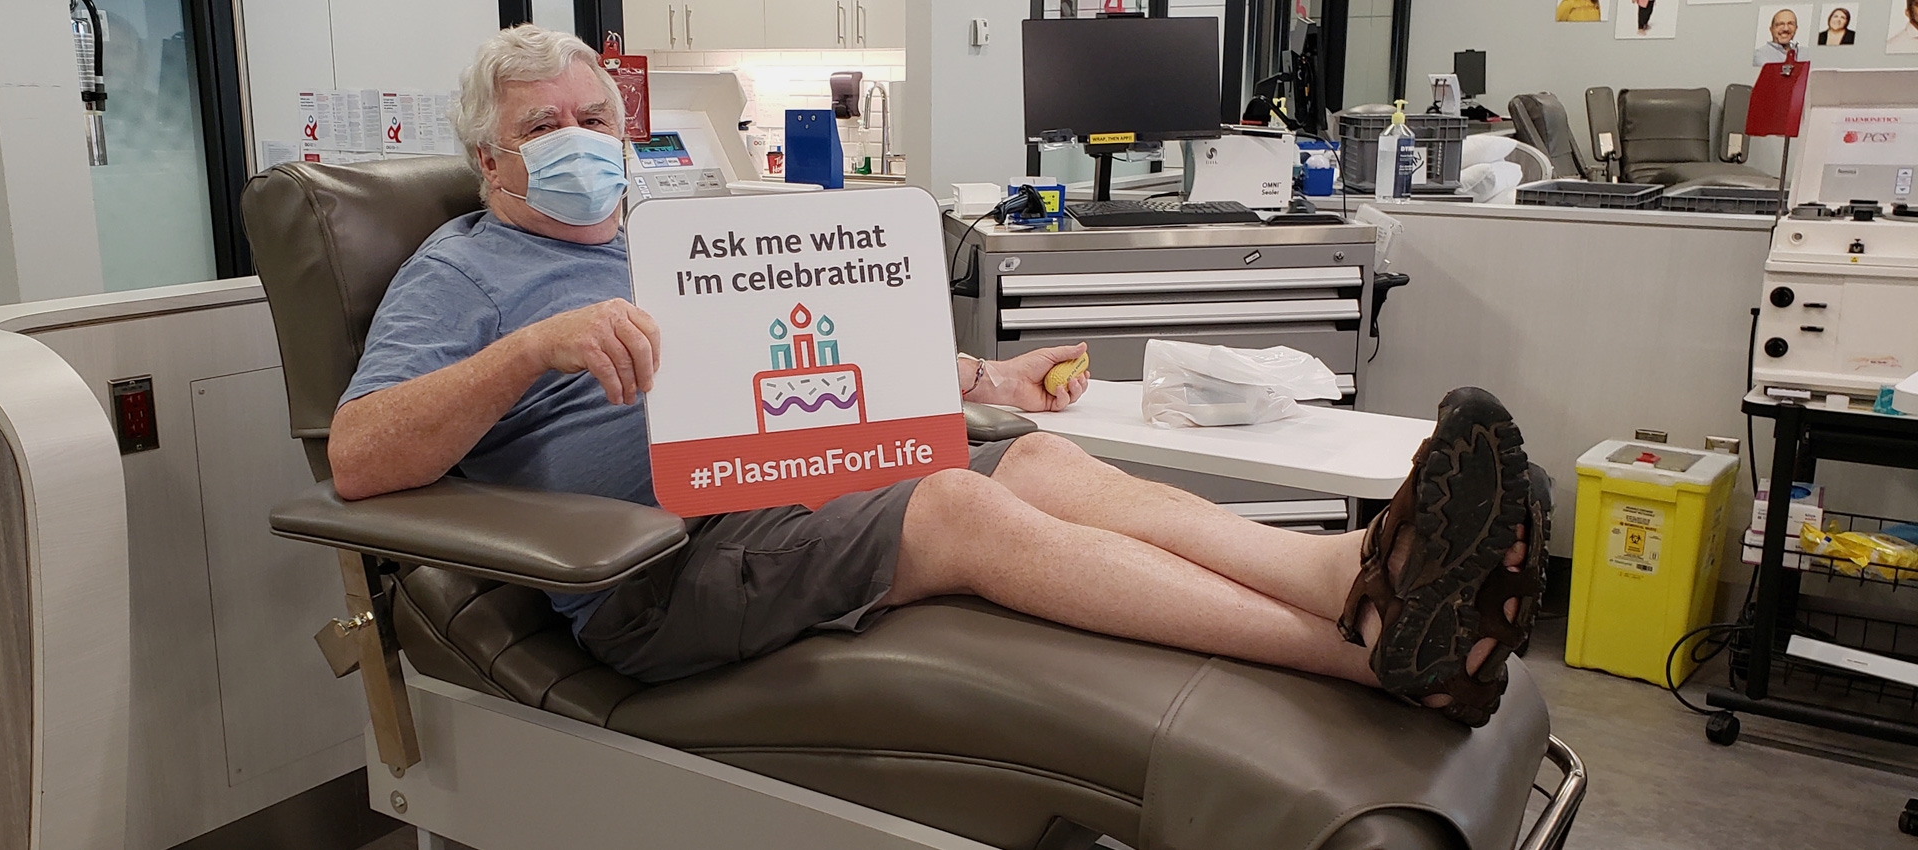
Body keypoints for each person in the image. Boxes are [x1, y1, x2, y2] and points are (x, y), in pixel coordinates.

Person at [332, 25, 1551, 728]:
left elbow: (813, 349)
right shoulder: (465, 272)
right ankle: (1377, 656)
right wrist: (526, 350)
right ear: (490, 163)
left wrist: (979, 376)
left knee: (1031, 457)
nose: (581, 145)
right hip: (662, 568)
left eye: (595, 117)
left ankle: (1343, 568)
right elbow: (359, 454)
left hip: (792, 482)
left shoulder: (675, 230)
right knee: (957, 505)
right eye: (545, 131)